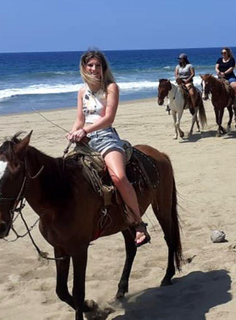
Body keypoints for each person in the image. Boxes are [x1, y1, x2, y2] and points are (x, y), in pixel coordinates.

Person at [67, 50, 150, 247]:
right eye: (90, 66)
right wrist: (73, 132)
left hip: (106, 138)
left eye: (98, 65)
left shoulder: (111, 88)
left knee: (118, 177)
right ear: (85, 67)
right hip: (85, 141)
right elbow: (80, 119)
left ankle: (139, 224)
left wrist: (85, 129)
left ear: (103, 68)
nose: (94, 69)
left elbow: (108, 118)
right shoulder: (82, 91)